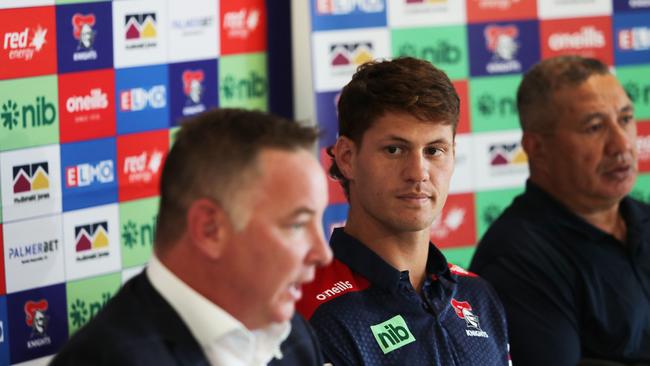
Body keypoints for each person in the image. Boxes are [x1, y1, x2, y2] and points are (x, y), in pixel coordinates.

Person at [52, 108, 333, 365]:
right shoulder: (104, 359)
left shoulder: (294, 335)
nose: (323, 253)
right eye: (297, 225)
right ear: (209, 230)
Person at [296, 57, 511, 365]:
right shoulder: (307, 308)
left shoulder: (478, 296)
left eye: (434, 150)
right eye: (395, 150)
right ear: (346, 157)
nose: (418, 172)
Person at [470, 55, 650, 365]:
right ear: (537, 148)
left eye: (625, 119)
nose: (622, 145)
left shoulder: (642, 217)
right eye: (594, 127)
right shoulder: (517, 259)